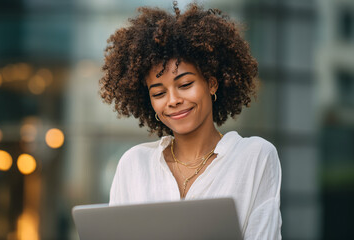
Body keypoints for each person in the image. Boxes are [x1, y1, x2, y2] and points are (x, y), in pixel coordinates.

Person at [99, 2, 282, 239]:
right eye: (158, 93)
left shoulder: (255, 156)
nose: (173, 100)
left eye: (185, 85)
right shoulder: (134, 164)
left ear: (212, 83)